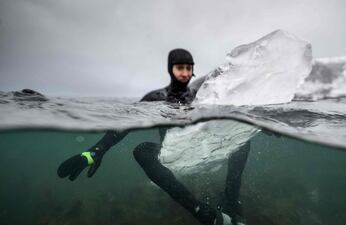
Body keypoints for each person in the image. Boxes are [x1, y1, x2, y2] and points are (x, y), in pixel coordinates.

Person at [57, 48, 250, 225]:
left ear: (193, 70)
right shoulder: (156, 97)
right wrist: (96, 150)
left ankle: (231, 202)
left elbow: (224, 76)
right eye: (179, 68)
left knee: (241, 138)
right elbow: (125, 123)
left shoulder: (203, 90)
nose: (184, 73)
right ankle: (204, 214)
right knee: (142, 151)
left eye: (188, 68)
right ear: (170, 70)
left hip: (208, 147)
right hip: (175, 156)